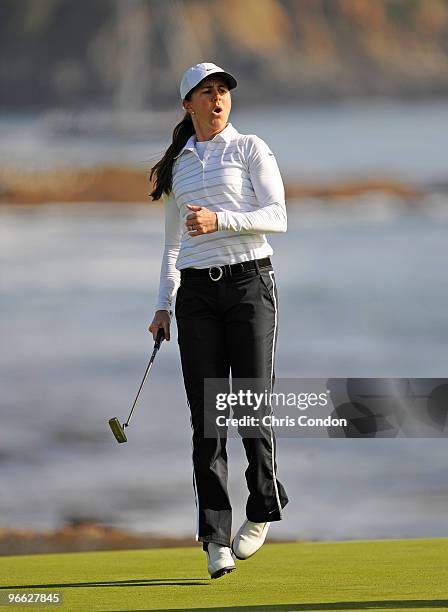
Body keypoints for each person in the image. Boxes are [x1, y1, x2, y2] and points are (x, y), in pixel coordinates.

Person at [148, 62, 289, 579]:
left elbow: (278, 215)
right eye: (206, 92)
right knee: (208, 421)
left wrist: (220, 219)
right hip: (196, 298)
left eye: (223, 91)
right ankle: (215, 537)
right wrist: (163, 305)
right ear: (188, 104)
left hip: (251, 284)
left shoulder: (250, 147)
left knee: (251, 405)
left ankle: (263, 504)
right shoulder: (177, 166)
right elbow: (171, 246)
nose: (218, 99)